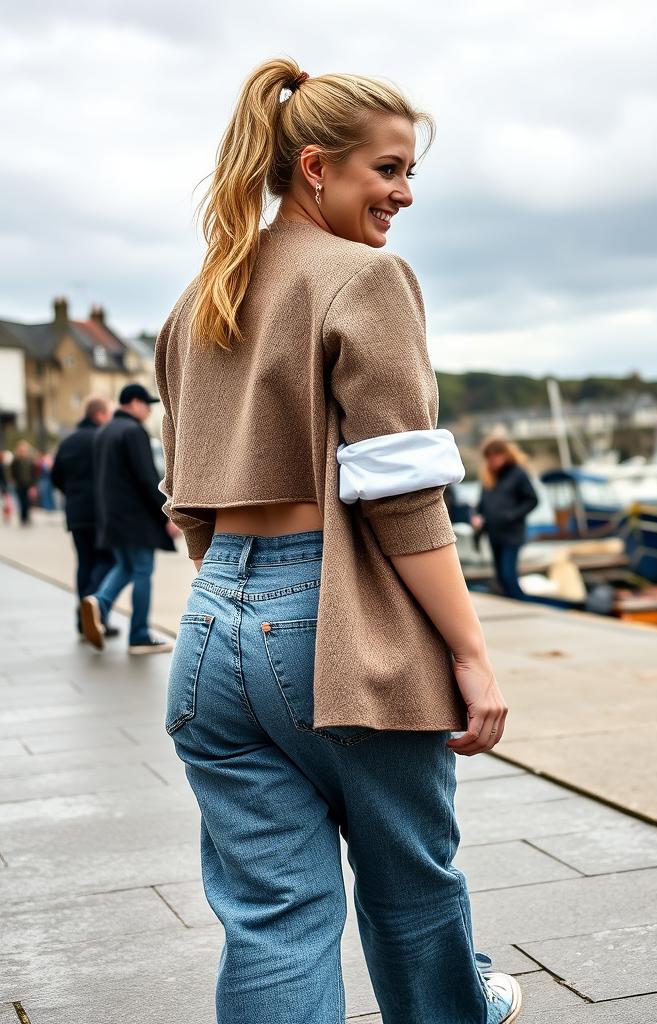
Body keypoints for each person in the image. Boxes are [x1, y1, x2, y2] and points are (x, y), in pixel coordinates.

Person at [153, 59, 518, 1024]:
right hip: (334, 629)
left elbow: (185, 502)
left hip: (212, 630)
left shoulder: (199, 302)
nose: (402, 194)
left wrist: (241, 593)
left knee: (273, 914)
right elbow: (403, 498)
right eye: (386, 170)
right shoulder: (366, 279)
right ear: (315, 167)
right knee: (411, 885)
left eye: (410, 176)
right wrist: (471, 655)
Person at [80, 384, 178, 654]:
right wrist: (165, 514)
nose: (148, 410)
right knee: (143, 571)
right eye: (146, 404)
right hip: (135, 520)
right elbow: (146, 478)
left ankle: (97, 603)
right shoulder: (133, 431)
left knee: (124, 567)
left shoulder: (105, 431)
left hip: (111, 518)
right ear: (134, 403)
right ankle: (139, 635)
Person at [52, 396, 119, 640]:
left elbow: (55, 477)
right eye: (109, 413)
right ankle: (94, 611)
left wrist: (73, 495)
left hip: (76, 514)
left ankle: (84, 620)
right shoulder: (101, 438)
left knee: (84, 563)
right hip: (101, 513)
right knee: (109, 561)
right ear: (99, 415)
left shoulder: (68, 441)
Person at [471, 437, 539, 601]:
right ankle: (515, 607)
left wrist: (511, 515)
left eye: (495, 456)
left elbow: (532, 500)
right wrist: (476, 516)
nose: (492, 460)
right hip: (494, 533)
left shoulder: (518, 473)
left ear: (505, 455)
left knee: (509, 576)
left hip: (511, 533)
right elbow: (481, 503)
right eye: (489, 457)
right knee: (501, 577)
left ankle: (523, 606)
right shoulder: (489, 476)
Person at [10, 441, 36, 526]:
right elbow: (12, 472)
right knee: (21, 502)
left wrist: (33, 484)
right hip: (19, 484)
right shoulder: (16, 460)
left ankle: (27, 517)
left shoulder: (30, 460)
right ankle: (22, 518)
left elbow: (33, 473)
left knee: (27, 502)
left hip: (28, 484)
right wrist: (14, 481)